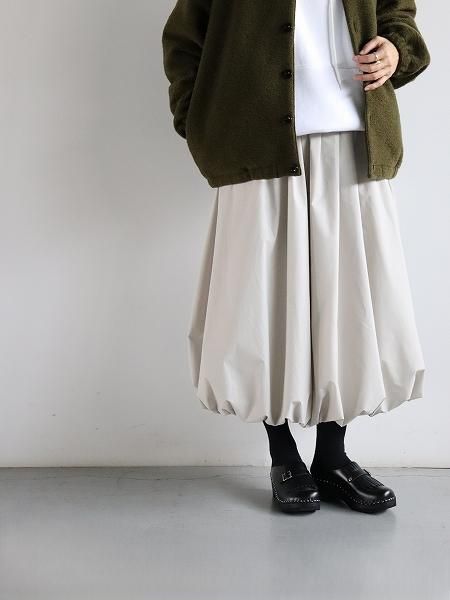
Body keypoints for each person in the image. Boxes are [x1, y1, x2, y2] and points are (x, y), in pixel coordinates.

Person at [161, 0, 431, 514]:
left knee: (346, 303)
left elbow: (398, 13)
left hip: (353, 139)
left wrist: (396, 49)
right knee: (263, 304)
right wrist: (198, 120)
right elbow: (184, 40)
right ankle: (283, 456)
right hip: (255, 143)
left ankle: (332, 458)